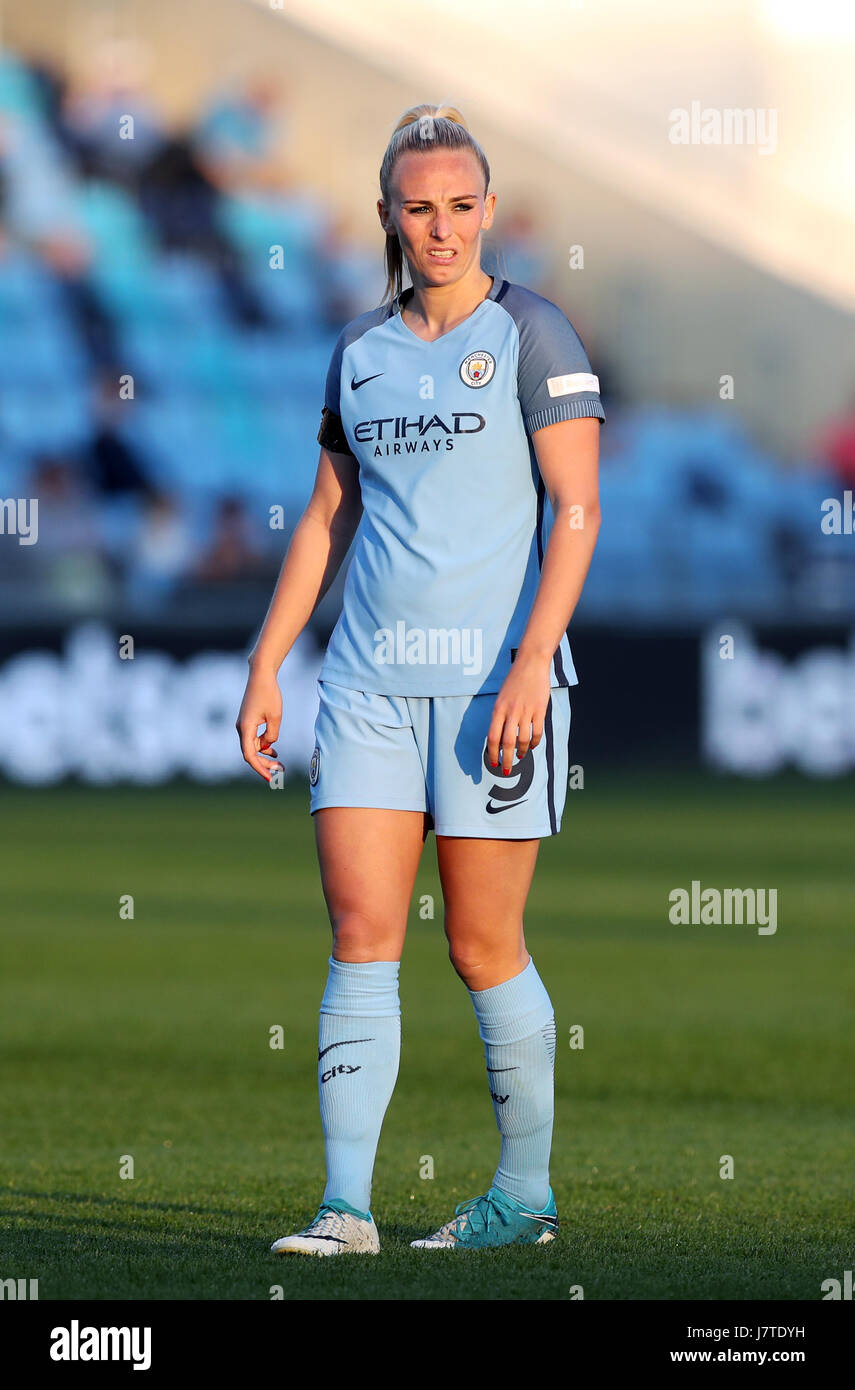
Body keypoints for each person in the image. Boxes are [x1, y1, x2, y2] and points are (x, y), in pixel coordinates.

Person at [236, 103, 604, 1254]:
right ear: (388, 216)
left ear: (487, 211)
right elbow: (328, 517)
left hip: (497, 687)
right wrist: (268, 657)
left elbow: (579, 508)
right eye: (418, 208)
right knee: (360, 933)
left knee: (481, 947)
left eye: (459, 206)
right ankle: (346, 1207)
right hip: (365, 688)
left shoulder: (537, 334)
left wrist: (534, 663)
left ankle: (524, 1198)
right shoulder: (359, 350)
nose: (440, 228)